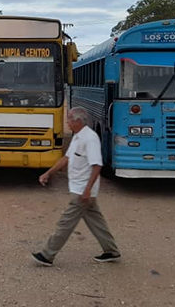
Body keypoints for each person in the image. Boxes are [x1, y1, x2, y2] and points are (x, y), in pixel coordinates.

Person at [31, 107, 120, 266]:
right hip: (80, 190)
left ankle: (47, 255)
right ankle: (111, 251)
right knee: (96, 222)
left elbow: (97, 165)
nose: (68, 123)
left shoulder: (90, 139)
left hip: (82, 192)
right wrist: (48, 173)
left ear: (78, 121)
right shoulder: (78, 137)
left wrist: (87, 190)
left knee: (65, 223)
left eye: (69, 120)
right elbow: (66, 158)